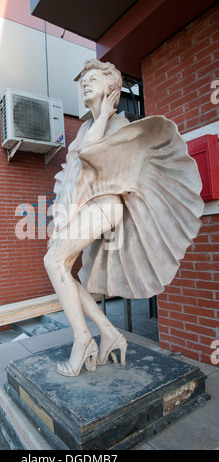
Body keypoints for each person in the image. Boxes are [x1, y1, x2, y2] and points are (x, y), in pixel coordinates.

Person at [44, 58, 203, 377]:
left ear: (111, 88)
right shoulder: (87, 127)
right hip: (87, 206)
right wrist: (63, 219)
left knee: (53, 262)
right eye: (82, 80)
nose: (85, 83)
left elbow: (90, 156)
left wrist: (104, 113)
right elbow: (76, 178)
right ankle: (109, 332)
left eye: (92, 79)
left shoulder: (114, 123)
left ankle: (82, 340)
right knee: (65, 270)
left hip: (104, 206)